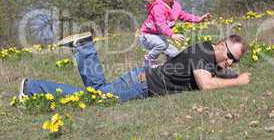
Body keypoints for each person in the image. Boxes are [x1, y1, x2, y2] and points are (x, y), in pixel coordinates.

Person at [18, 32, 251, 102]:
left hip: (141, 79)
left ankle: (84, 47)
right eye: (230, 56)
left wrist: (229, 72)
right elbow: (206, 84)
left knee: (97, 92)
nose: (230, 62)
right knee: (94, 99)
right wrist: (238, 81)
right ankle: (32, 88)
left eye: (235, 61)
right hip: (141, 85)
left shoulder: (206, 50)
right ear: (221, 44)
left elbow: (211, 73)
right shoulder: (204, 56)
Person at [139, 0, 213, 67]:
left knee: (175, 54)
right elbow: (160, 25)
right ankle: (149, 59)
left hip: (159, 37)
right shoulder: (158, 7)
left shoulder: (175, 6)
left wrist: (199, 19)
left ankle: (168, 68)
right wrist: (172, 35)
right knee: (161, 44)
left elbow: (184, 16)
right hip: (147, 36)